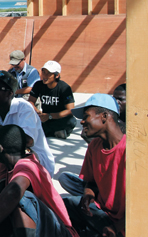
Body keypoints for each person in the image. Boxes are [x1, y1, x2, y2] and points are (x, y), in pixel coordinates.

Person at [0, 125, 79, 237]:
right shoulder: (9, 166)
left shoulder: (27, 166)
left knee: (22, 199)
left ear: (1, 148)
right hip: (46, 229)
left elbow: (13, 192)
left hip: (62, 232)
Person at [62, 94, 125, 237]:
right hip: (101, 211)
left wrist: (116, 228)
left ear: (104, 116)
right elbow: (91, 182)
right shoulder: (94, 146)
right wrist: (87, 195)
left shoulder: (130, 150)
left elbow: (142, 206)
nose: (82, 122)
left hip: (124, 223)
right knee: (60, 205)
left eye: (86, 116)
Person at [0, 70, 56, 176]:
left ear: (9, 93)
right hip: (12, 159)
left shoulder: (23, 107)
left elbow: (28, 141)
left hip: (38, 163)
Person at [28, 61, 76, 139]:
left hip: (58, 118)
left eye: (49, 73)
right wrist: (37, 111)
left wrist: (50, 116)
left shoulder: (64, 88)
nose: (44, 76)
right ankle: (55, 132)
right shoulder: (38, 85)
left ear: (57, 75)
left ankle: (48, 131)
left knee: (71, 121)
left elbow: (70, 110)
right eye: (43, 72)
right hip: (44, 117)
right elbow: (31, 101)